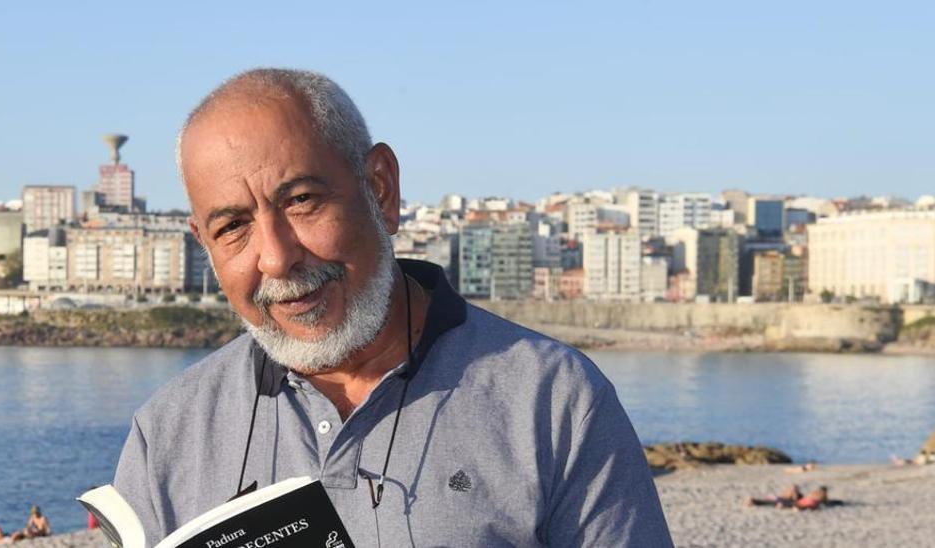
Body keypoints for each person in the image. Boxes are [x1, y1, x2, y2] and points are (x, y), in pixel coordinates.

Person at [112, 68, 672, 547]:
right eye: (233, 226)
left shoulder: (554, 400)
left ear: (380, 187)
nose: (277, 259)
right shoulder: (168, 433)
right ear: (204, 243)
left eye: (301, 201)